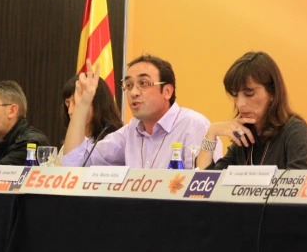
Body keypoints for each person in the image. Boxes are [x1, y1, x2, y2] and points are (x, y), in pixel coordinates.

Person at [61, 54, 222, 168]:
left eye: (143, 83)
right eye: (129, 85)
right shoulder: (130, 132)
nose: (133, 92)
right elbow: (75, 164)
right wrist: (82, 106)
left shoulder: (194, 126)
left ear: (167, 91)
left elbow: (203, 187)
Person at [195, 51, 307, 170]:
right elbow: (204, 182)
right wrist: (211, 132)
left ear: (272, 92)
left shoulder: (295, 132)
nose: (240, 104)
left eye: (249, 94)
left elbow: (299, 186)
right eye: (235, 95)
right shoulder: (244, 134)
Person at [58, 74, 123, 162]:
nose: (70, 111)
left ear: (98, 104)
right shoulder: (68, 146)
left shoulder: (114, 143)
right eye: (67, 104)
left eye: (77, 103)